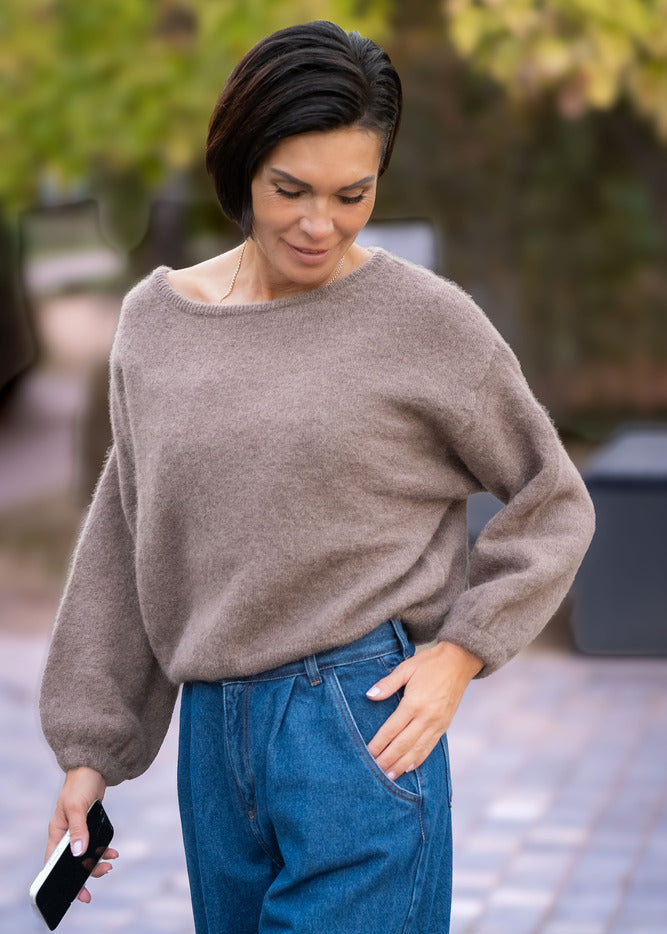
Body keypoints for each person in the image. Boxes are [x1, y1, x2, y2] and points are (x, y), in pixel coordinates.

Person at [39, 20, 596, 934]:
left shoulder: (425, 322)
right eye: (289, 189)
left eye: (353, 194)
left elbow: (551, 500)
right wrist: (91, 751)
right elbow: (125, 535)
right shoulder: (155, 322)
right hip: (212, 745)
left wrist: (458, 655)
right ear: (239, 167)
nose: (319, 224)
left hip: (355, 726)